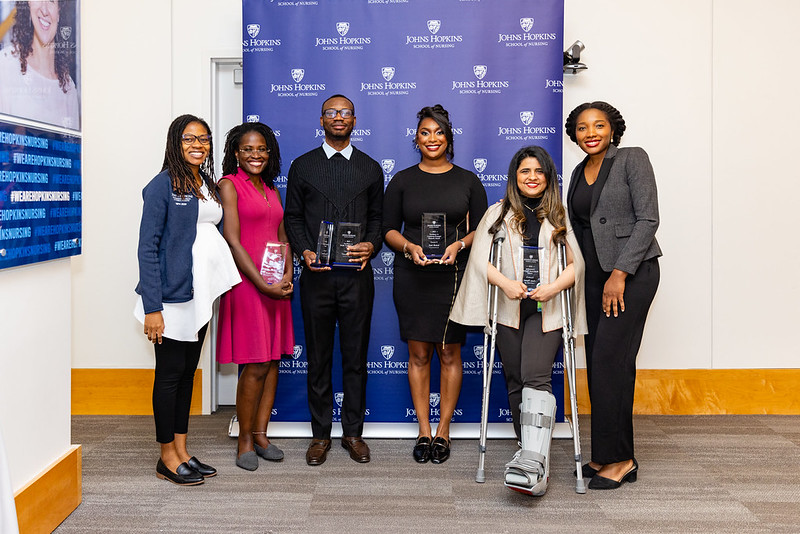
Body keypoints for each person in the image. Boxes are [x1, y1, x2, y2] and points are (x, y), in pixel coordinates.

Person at [450, 146, 587, 495]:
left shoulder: (559, 215)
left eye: (539, 171)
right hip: (509, 307)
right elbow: (481, 261)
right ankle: (528, 449)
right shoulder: (497, 214)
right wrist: (507, 284)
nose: (532, 177)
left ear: (548, 177)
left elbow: (577, 265)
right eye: (525, 171)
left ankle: (533, 462)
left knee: (536, 377)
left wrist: (553, 288)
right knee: (514, 379)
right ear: (515, 176)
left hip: (547, 308)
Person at [134, 114, 240, 486]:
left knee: (185, 376)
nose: (198, 145)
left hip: (199, 296)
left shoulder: (204, 182)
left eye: (204, 139)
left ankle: (181, 449)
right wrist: (152, 307)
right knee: (168, 376)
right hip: (170, 298)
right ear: (174, 143)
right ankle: (166, 457)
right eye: (189, 139)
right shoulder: (161, 186)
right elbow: (147, 248)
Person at [564, 101, 661, 490]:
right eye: (583, 127)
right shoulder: (576, 172)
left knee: (611, 361)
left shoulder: (631, 160)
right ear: (575, 134)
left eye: (599, 125)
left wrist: (620, 273)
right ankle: (605, 453)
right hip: (592, 278)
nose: (591, 133)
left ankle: (622, 459)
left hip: (630, 275)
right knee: (602, 364)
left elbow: (649, 218)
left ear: (612, 129)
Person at [383, 104, 487, 464]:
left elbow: (482, 230)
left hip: (452, 276)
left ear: (448, 137)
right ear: (416, 138)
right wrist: (409, 247)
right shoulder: (402, 180)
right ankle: (423, 431)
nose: (432, 139)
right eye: (425, 132)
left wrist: (459, 244)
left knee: (449, 352)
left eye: (438, 132)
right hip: (413, 276)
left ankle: (443, 432)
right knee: (418, 354)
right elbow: (388, 230)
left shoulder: (468, 180)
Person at [284, 94, 383, 466]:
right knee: (319, 358)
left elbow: (378, 218)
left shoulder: (371, 168)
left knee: (355, 359)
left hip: (357, 278)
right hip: (316, 278)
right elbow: (293, 217)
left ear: (355, 121)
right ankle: (320, 435)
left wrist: (371, 244)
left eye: (345, 113)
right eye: (331, 112)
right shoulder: (303, 166)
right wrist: (306, 251)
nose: (338, 118)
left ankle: (353, 433)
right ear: (321, 119)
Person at [216, 122, 294, 471]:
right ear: (236, 153)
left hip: (275, 284)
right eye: (247, 149)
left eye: (261, 149)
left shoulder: (272, 190)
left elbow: (281, 235)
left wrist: (289, 271)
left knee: (273, 359)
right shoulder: (229, 186)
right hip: (248, 286)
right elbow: (233, 239)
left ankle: (261, 434)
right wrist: (261, 285)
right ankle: (244, 440)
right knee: (255, 362)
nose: (255, 155)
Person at [0, 0, 79, 129]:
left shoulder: (69, 89)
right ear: (28, 4)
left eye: (52, 1)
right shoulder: (5, 65)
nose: (44, 10)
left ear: (59, 11)